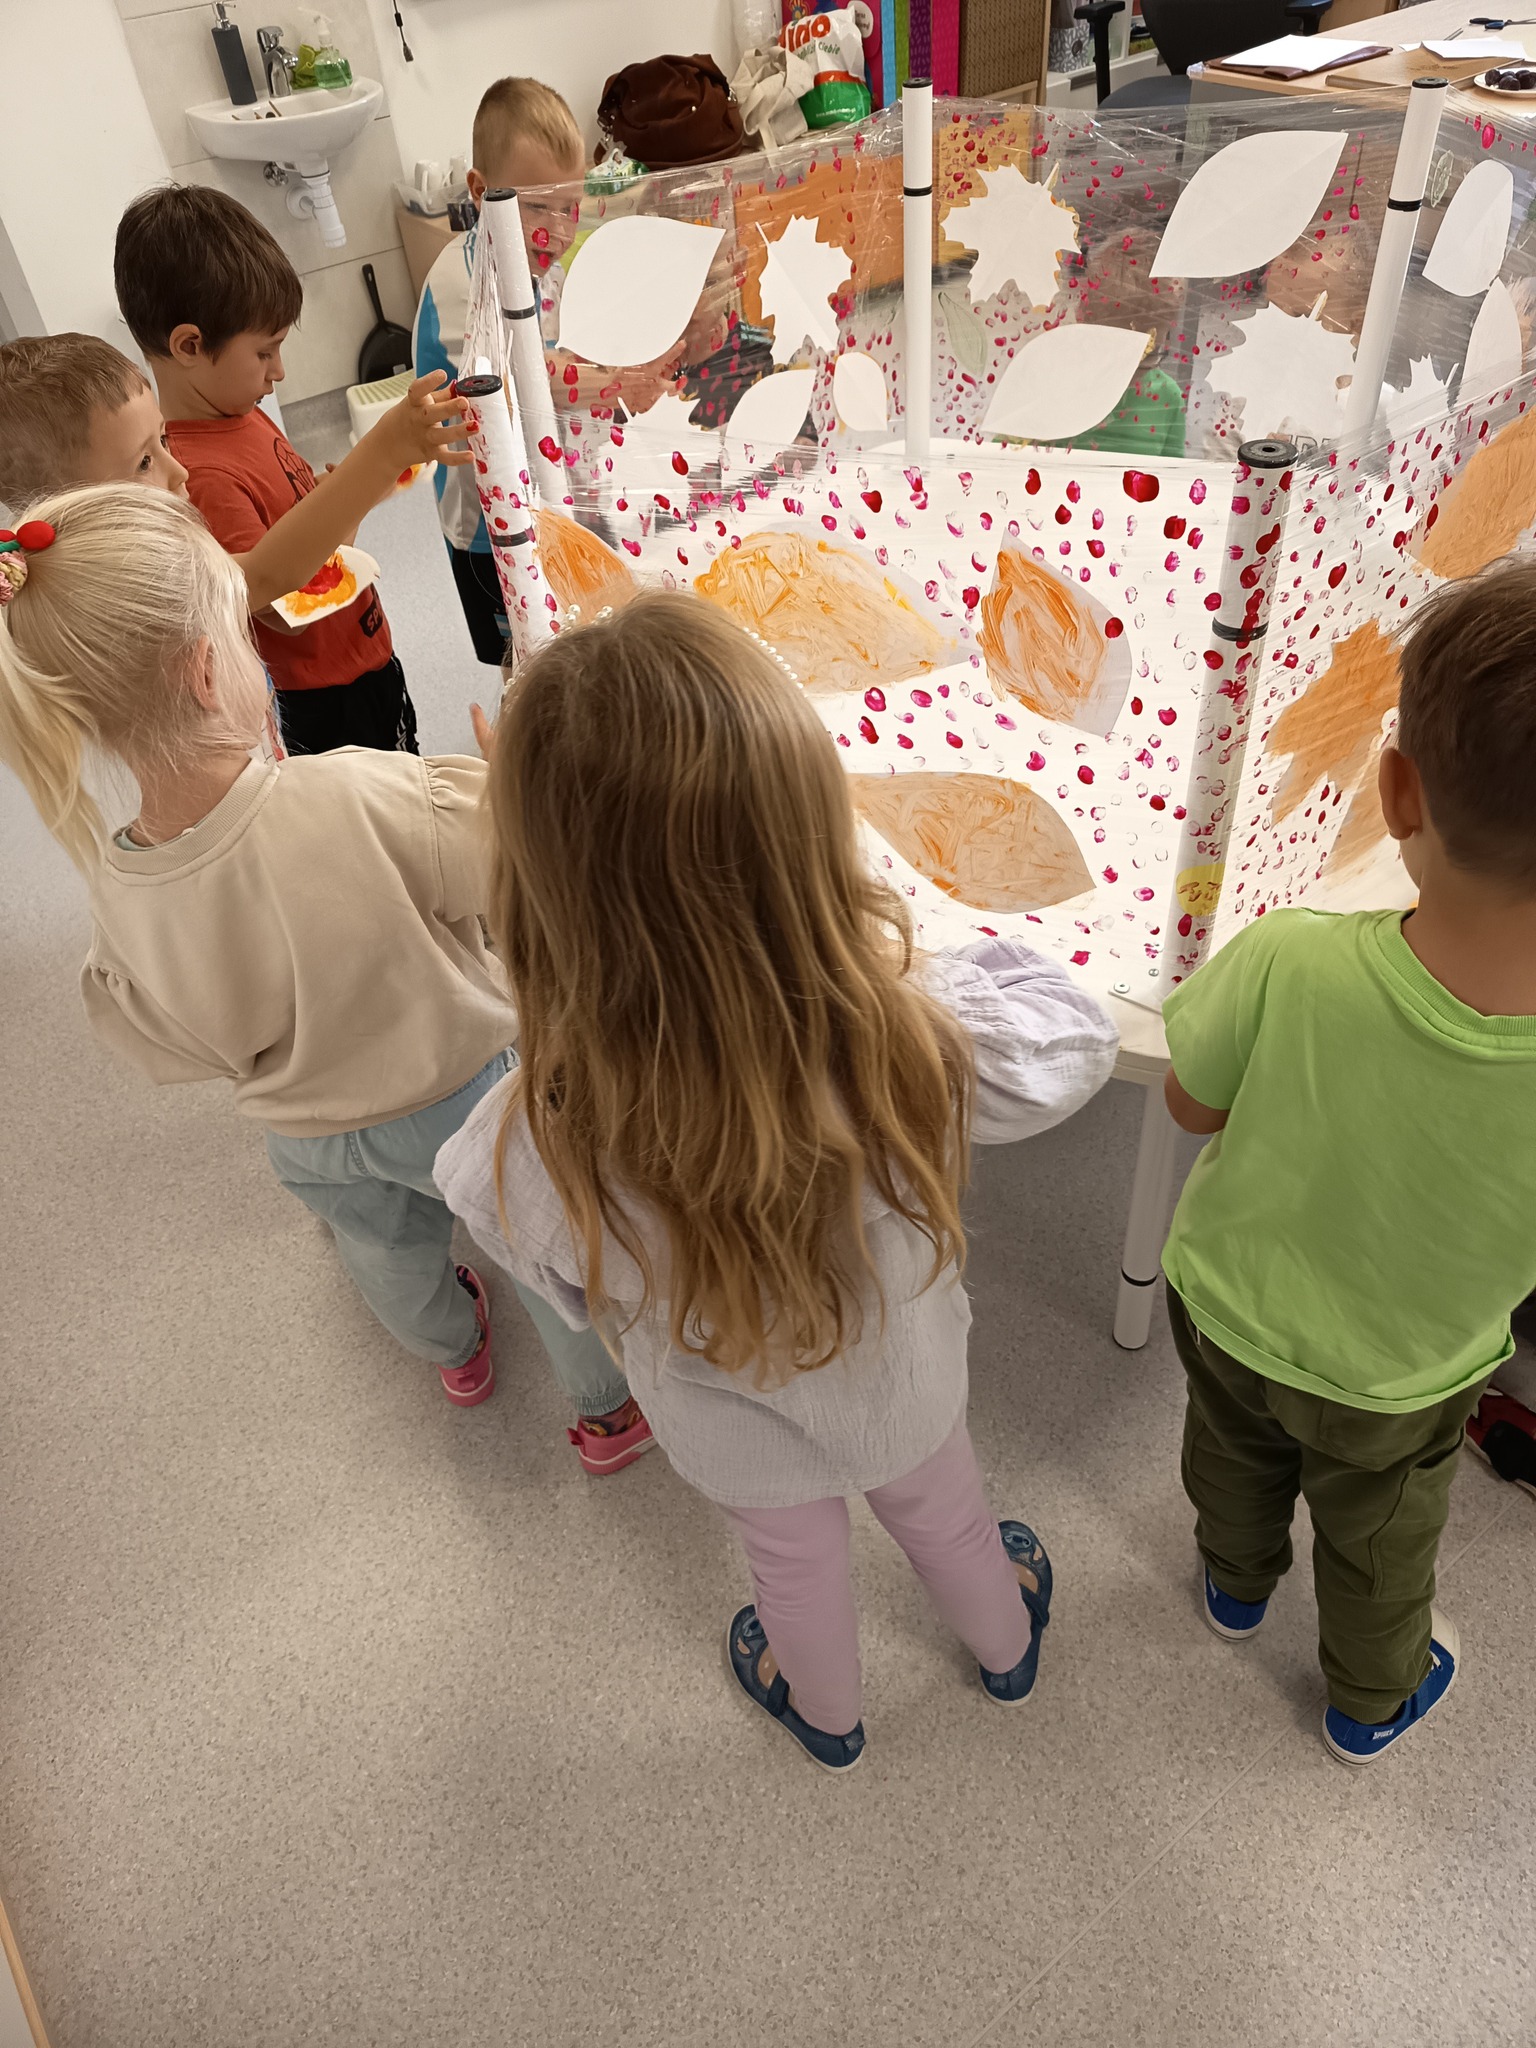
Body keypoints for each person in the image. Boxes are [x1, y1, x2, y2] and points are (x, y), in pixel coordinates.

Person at [435, 594, 1119, 1771]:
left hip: (727, 1423)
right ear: (812, 843)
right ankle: (1007, 1648)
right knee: (952, 1517)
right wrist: (886, 961)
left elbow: (557, 1280)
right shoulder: (912, 1041)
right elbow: (1078, 1036)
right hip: (906, 1385)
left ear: (538, 897)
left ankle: (829, 1717)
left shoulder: (522, 1135)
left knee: (790, 1566)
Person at [0, 485, 646, 1454]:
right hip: (466, 1091)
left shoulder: (117, 894)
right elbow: (517, 868)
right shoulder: (354, 791)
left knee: (383, 1250)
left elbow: (167, 1045)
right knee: (539, 1244)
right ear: (207, 671)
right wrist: (519, 779)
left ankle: (455, 1349)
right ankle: (606, 1407)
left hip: (308, 1135)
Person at [1160, 558, 1536, 1767]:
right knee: (1383, 1537)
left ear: (1396, 791)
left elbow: (1187, 1100)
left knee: (1231, 1453)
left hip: (1228, 1306)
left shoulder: (1289, 954)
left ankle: (1232, 1580)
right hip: (1402, 1375)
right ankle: (1370, 1699)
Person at [113, 185, 429, 757]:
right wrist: (364, 475)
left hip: (363, 657)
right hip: (324, 696)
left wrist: (352, 488)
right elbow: (286, 609)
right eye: (265, 352)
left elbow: (292, 519)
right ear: (189, 345)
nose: (278, 371)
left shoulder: (241, 412)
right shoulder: (199, 475)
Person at [412, 76, 678, 663]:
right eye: (537, 206)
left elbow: (561, 352)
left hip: (548, 500)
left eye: (569, 207)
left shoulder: (538, 267)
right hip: (489, 526)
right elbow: (521, 375)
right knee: (523, 659)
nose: (558, 231)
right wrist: (618, 384)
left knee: (566, 638)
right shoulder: (461, 286)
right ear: (480, 192)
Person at [0, 331, 469, 616]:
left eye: (163, 440)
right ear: (69, 511)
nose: (179, 470)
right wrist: (384, 450)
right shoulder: (139, 589)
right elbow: (265, 576)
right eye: (144, 462)